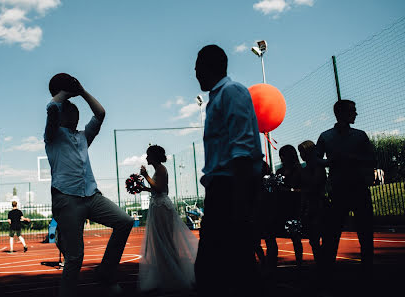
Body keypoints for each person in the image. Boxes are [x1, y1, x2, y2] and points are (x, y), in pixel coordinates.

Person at [44, 73, 134, 297]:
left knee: (125, 222)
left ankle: (105, 272)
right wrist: (64, 93)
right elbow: (52, 108)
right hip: (67, 198)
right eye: (70, 109)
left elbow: (101, 113)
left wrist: (82, 91)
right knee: (74, 258)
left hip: (91, 196)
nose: (75, 112)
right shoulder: (53, 136)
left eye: (76, 110)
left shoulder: (84, 136)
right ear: (64, 113)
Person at [194, 44, 263, 297]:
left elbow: (242, 149)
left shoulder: (231, 92)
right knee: (236, 266)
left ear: (206, 67)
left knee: (214, 269)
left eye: (196, 67)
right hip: (223, 188)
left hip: (230, 188)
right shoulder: (216, 99)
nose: (194, 73)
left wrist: (241, 205)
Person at [316, 99, 376, 274]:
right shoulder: (331, 136)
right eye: (352, 110)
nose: (356, 113)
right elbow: (317, 160)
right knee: (336, 232)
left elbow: (372, 159)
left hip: (352, 187)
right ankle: (329, 270)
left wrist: (349, 159)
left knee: (354, 231)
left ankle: (329, 272)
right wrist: (331, 161)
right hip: (344, 189)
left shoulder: (352, 135)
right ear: (341, 113)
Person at [138, 145, 199, 293]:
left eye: (148, 155)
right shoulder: (159, 170)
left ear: (153, 156)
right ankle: (167, 275)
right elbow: (160, 188)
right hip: (158, 206)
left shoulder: (161, 169)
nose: (146, 157)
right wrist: (144, 188)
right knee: (161, 241)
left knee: (164, 240)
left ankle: (173, 276)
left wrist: (145, 176)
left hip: (161, 208)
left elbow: (159, 189)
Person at [298, 140, 327, 265]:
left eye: (302, 152)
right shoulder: (309, 168)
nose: (301, 155)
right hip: (312, 205)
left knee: (318, 238)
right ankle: (322, 263)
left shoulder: (316, 167)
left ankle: (323, 264)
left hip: (317, 204)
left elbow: (315, 184)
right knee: (314, 239)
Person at [275, 145, 304, 268]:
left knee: (296, 237)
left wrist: (289, 190)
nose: (281, 158)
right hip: (284, 207)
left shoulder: (299, 170)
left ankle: (299, 263)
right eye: (280, 155)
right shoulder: (280, 172)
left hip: (295, 207)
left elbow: (302, 189)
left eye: (283, 155)